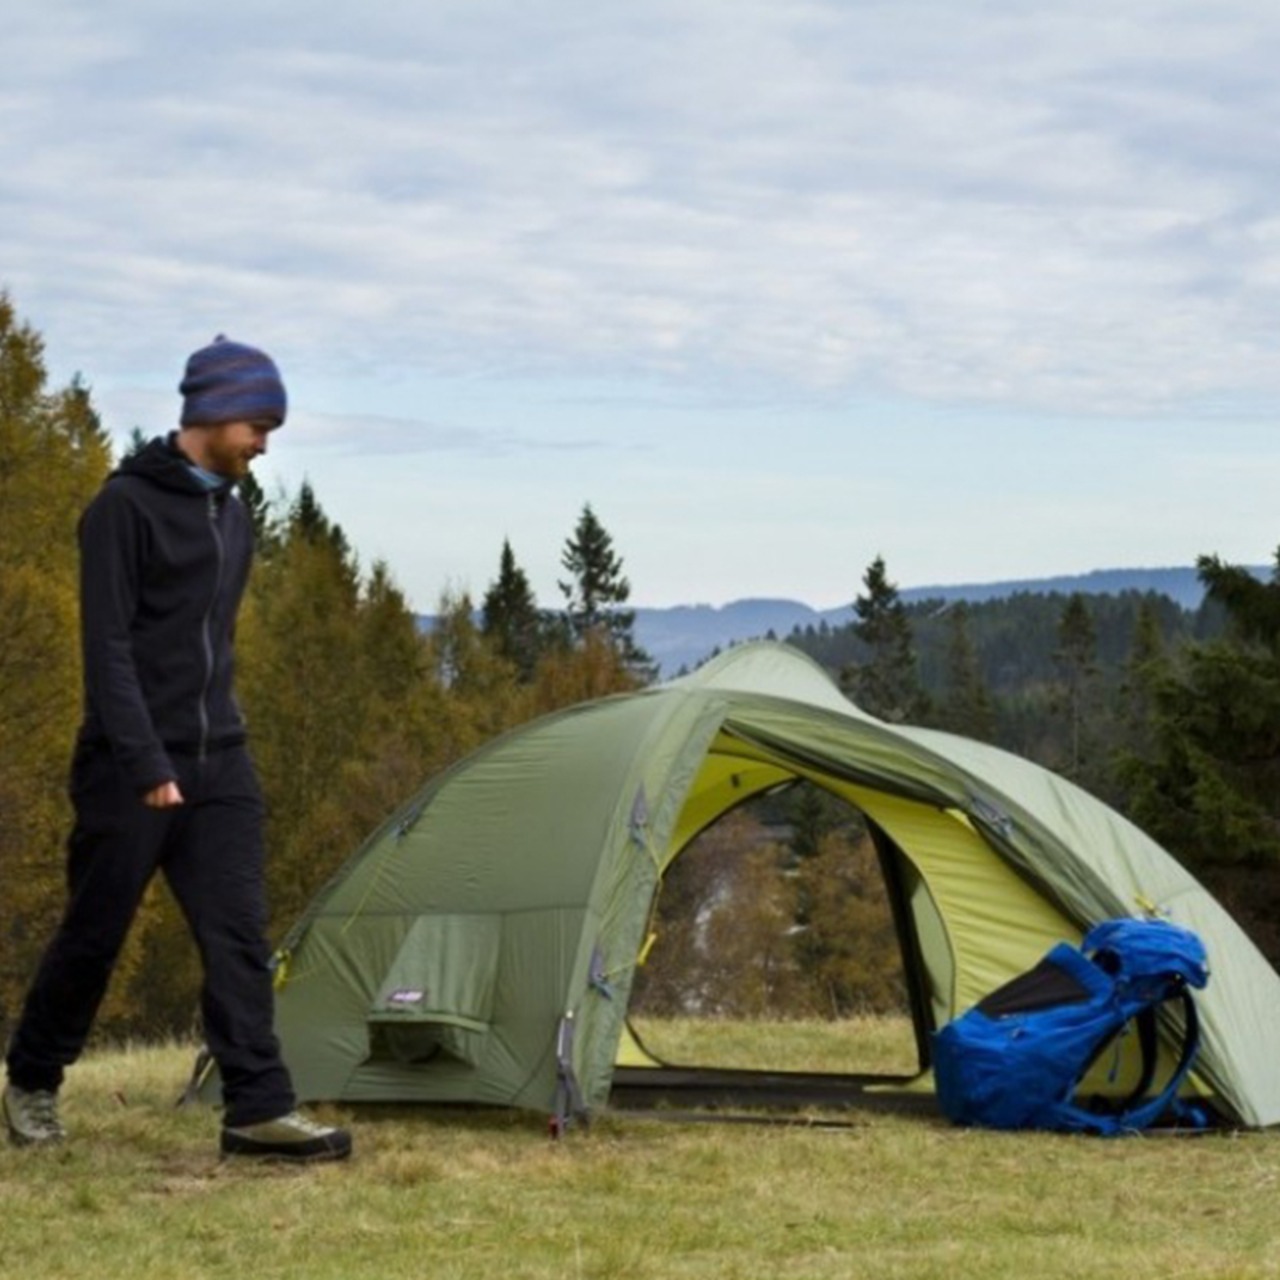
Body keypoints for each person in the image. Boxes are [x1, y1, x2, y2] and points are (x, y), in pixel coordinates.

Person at [2, 336, 352, 1162]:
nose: (264, 443)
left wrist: (218, 747)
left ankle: (256, 1110)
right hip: (130, 766)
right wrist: (146, 761)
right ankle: (33, 1080)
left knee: (237, 933)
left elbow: (212, 645)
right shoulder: (123, 508)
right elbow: (110, 650)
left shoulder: (232, 511)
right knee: (96, 931)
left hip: (220, 757)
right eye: (258, 424)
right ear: (212, 413)